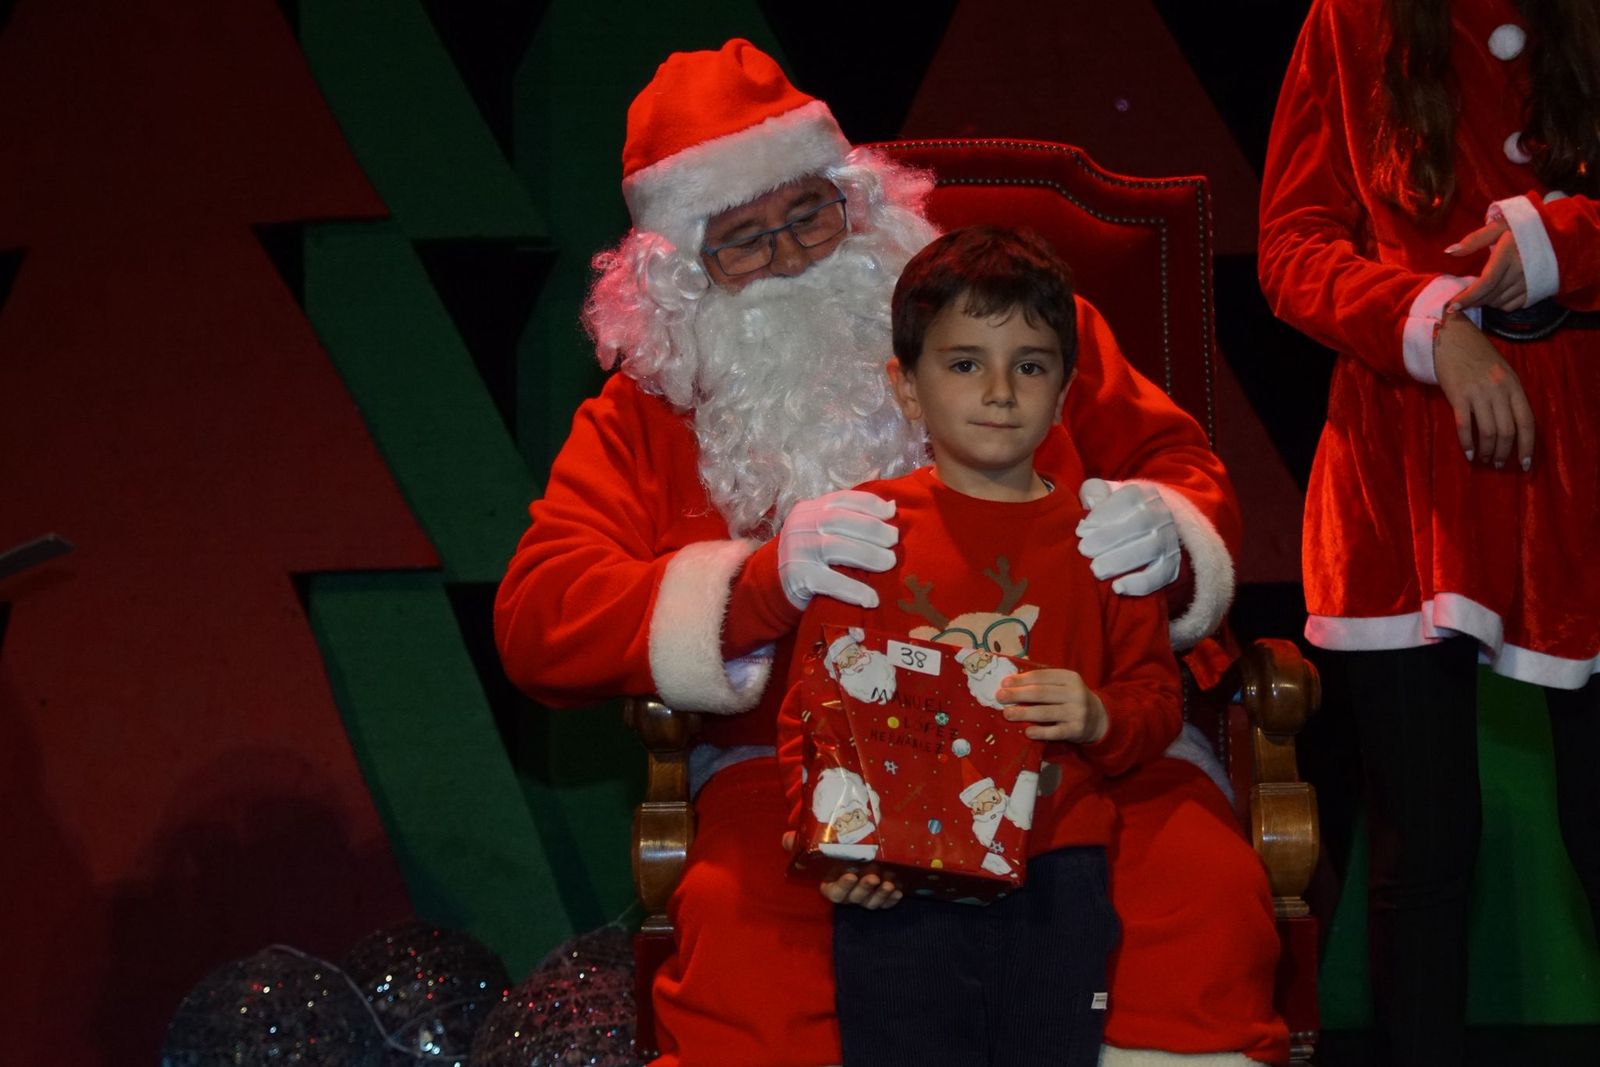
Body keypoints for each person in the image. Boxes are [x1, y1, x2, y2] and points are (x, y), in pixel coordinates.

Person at [496, 38, 1281, 1066]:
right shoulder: (647, 411)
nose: (790, 258)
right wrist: (755, 583)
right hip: (807, 768)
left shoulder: (1006, 327)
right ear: (681, 275)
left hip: (1082, 727)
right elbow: (539, 612)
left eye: (808, 215)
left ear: (857, 203)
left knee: (1197, 900)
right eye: (742, 239)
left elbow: (1177, 457)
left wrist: (1160, 528)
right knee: (756, 971)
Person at [1258, 2, 1600, 1063]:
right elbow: (1292, 243)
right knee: (1427, 836)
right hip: (1405, 461)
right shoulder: (1348, 18)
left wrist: (1556, 239)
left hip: (1585, 447)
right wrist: (1429, 326)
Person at [774, 227, 1184, 1067]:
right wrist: (832, 852)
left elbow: (1156, 701)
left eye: (1029, 365)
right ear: (908, 389)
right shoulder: (866, 533)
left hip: (1057, 875)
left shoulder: (1101, 536)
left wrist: (1097, 712)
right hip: (898, 885)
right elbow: (812, 715)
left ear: (1063, 390)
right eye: (965, 363)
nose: (1000, 390)